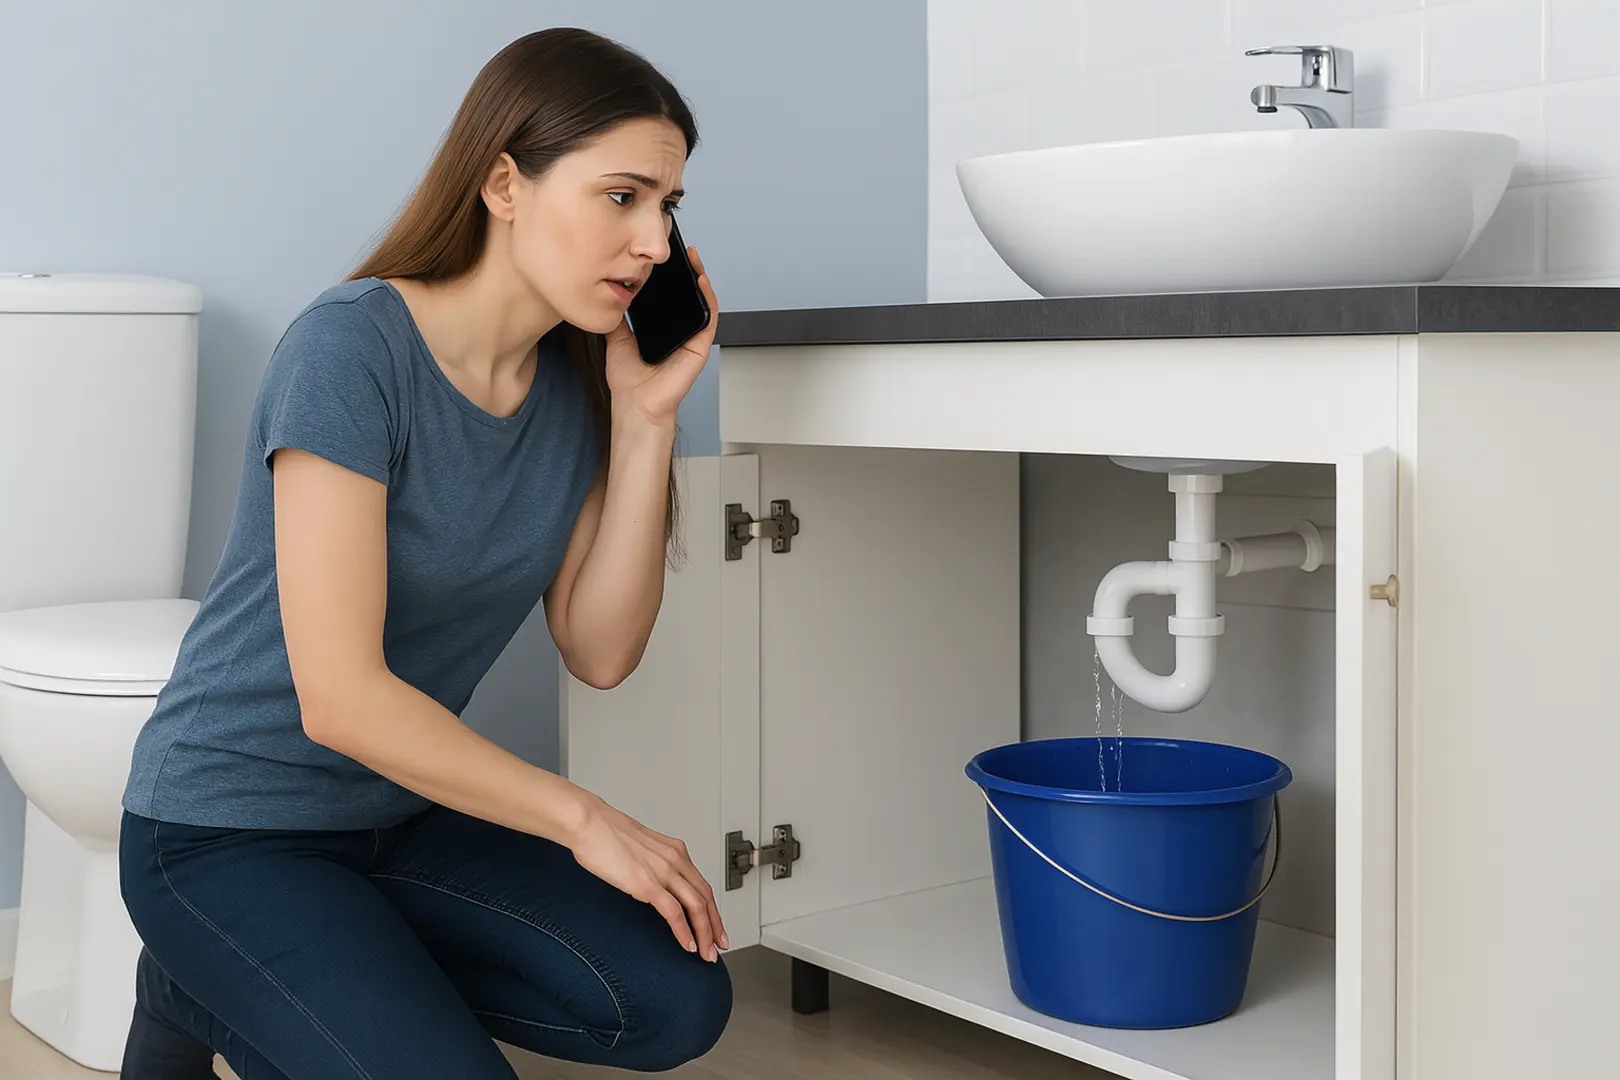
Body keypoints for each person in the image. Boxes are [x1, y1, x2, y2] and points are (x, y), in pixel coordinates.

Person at [115, 26, 732, 1080]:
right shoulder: (352, 348)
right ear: (504, 183)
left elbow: (601, 649)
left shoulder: (582, 383)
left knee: (675, 1002)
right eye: (622, 196)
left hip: (393, 822)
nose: (654, 244)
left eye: (669, 207)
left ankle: (239, 982)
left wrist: (646, 422)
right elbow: (342, 702)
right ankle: (220, 966)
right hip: (222, 830)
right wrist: (583, 818)